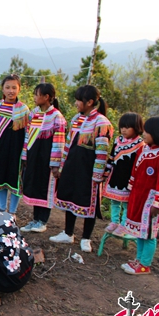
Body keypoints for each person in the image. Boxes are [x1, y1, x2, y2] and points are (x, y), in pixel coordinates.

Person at [50, 85, 113, 252]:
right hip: (72, 167)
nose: (76, 103)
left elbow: (101, 153)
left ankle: (86, 238)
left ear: (90, 102)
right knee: (70, 199)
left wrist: (97, 175)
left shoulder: (101, 123)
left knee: (88, 202)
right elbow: (68, 145)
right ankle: (68, 233)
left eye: (79, 100)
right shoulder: (76, 119)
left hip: (88, 171)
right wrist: (62, 165)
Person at [121, 117, 159, 275]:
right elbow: (135, 171)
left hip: (150, 201)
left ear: (157, 133)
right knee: (140, 232)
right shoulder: (144, 150)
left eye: (147, 131)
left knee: (149, 234)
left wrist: (158, 204)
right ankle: (138, 259)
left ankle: (145, 264)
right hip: (139, 197)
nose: (144, 133)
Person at [20, 83, 67, 233]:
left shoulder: (57, 117)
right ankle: (35, 219)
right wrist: (25, 155)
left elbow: (59, 142)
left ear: (46, 97)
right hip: (34, 157)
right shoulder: (34, 113)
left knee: (45, 187)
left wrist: (55, 164)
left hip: (47, 159)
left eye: (36, 94)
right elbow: (27, 136)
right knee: (34, 186)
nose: (34, 97)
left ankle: (43, 221)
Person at [0, 74, 30, 216]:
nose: (11, 91)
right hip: (0, 149)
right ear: (2, 90)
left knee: (15, 179)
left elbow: (28, 133)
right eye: (8, 87)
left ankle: (13, 211)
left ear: (19, 89)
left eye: (14, 87)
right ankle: (2, 209)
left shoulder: (24, 110)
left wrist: (25, 152)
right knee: (1, 177)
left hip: (17, 151)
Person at [101, 112, 145, 236]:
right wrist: (106, 173)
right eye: (122, 127)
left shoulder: (140, 144)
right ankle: (114, 221)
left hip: (128, 179)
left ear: (136, 127)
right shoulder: (118, 140)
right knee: (114, 201)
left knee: (127, 203)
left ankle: (124, 225)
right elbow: (112, 157)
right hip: (116, 177)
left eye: (127, 127)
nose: (123, 130)